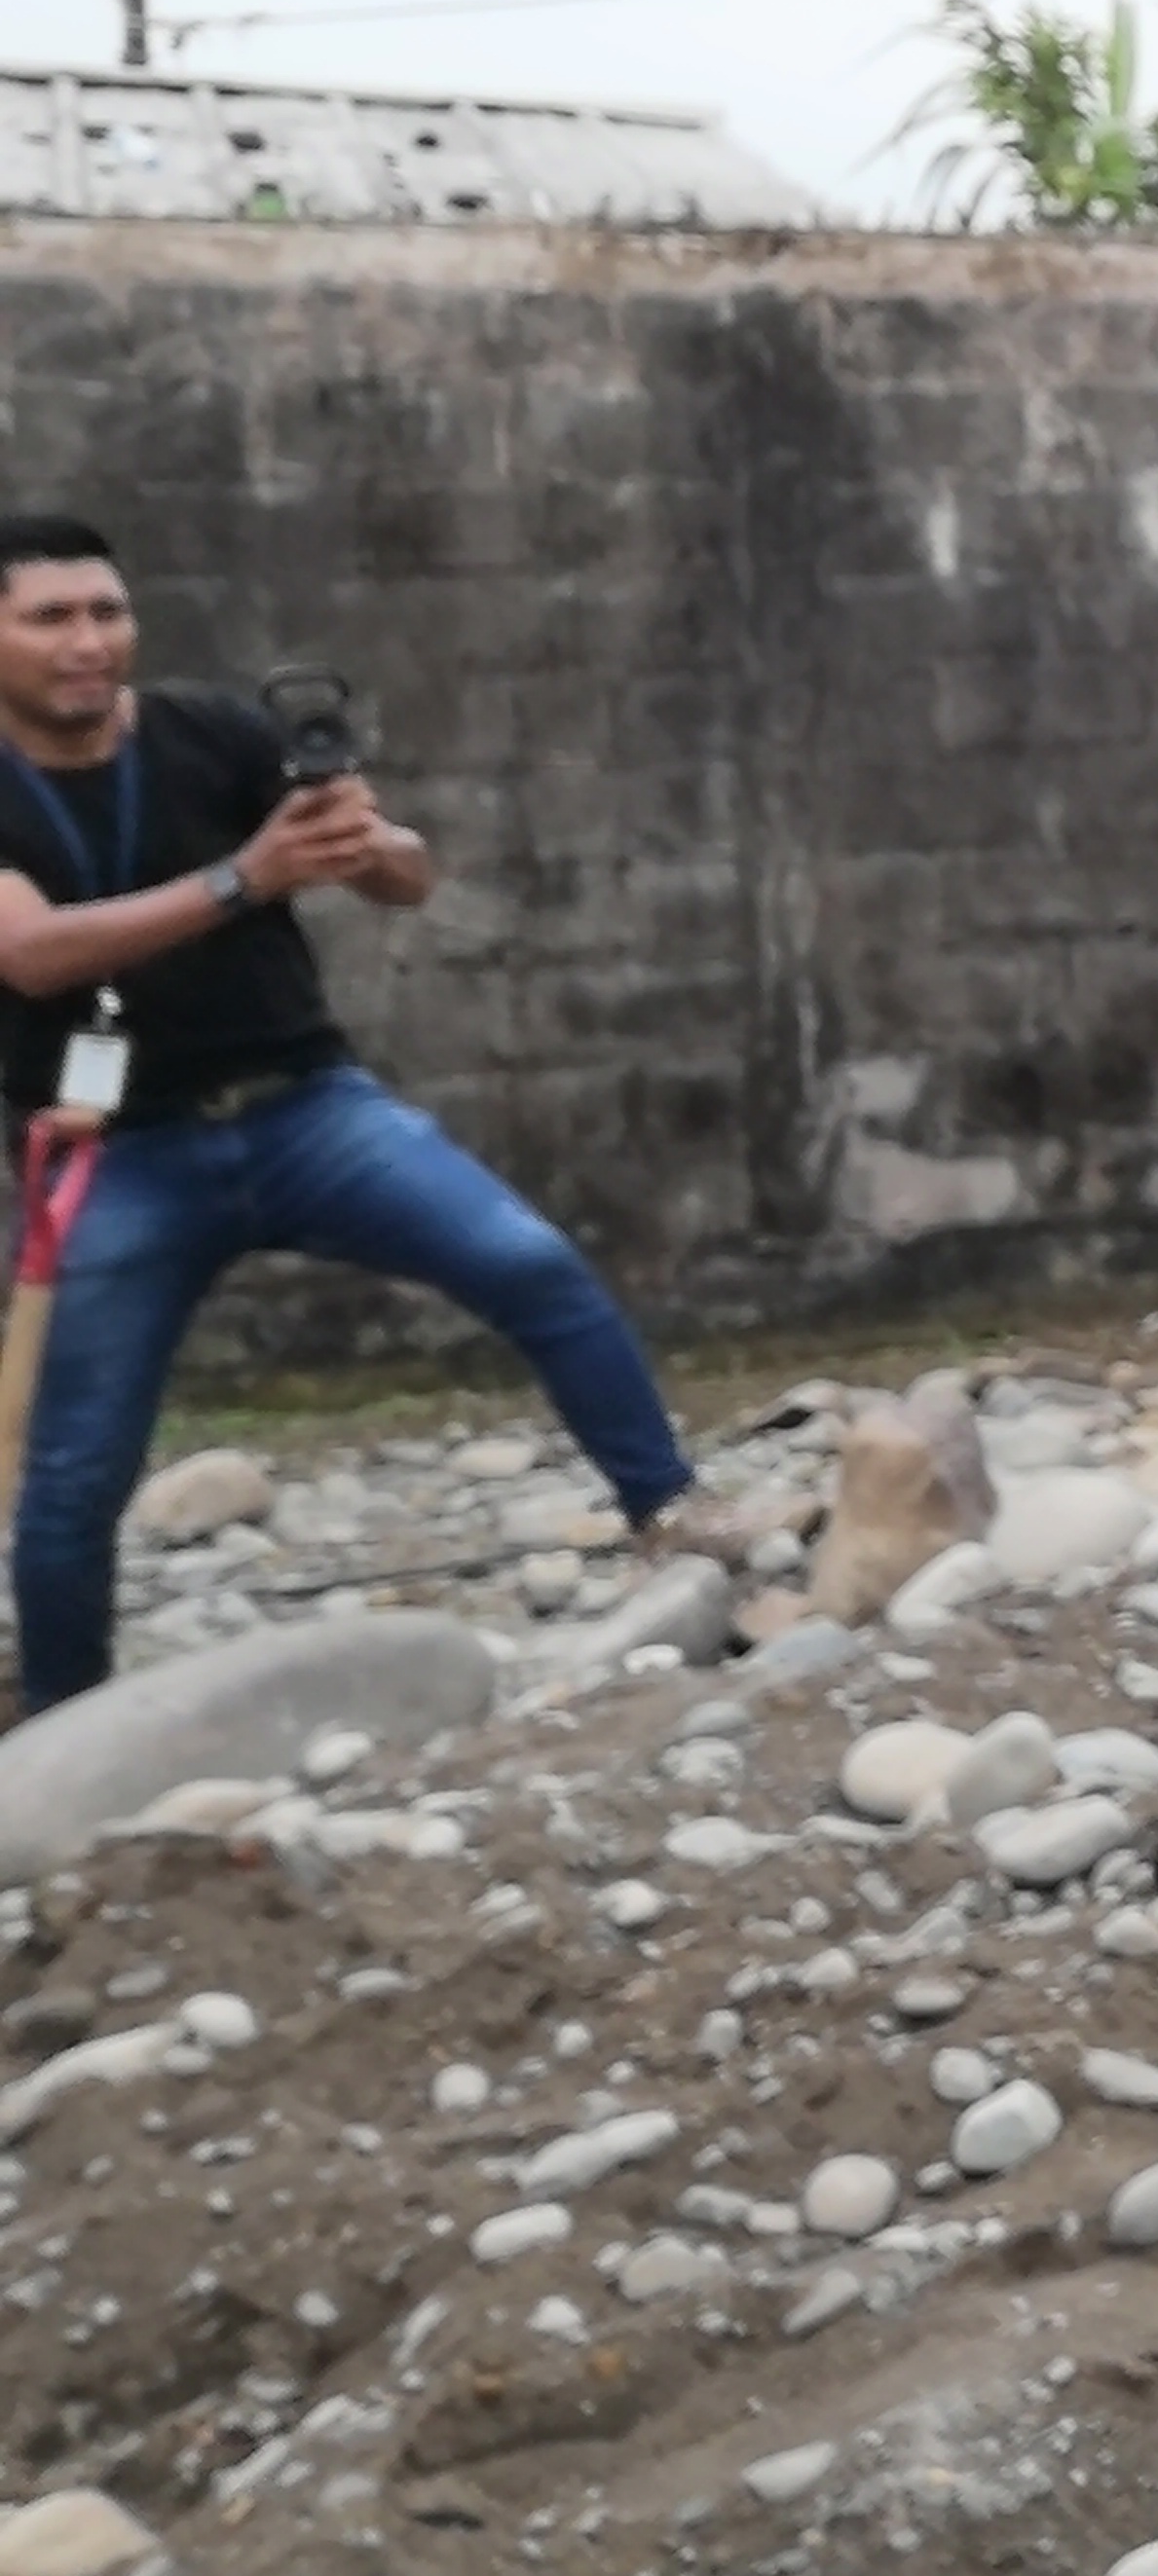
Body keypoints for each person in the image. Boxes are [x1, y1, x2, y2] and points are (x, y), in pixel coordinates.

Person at [0, 516, 703, 1717]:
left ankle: (677, 1516)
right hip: (117, 1155)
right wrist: (245, 878)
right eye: (50, 619)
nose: (88, 643)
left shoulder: (213, 731)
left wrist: (362, 841)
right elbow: (30, 953)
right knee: (76, 1469)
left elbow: (410, 879)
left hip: (305, 1110)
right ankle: (66, 1726)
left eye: (106, 612)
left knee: (531, 1264)